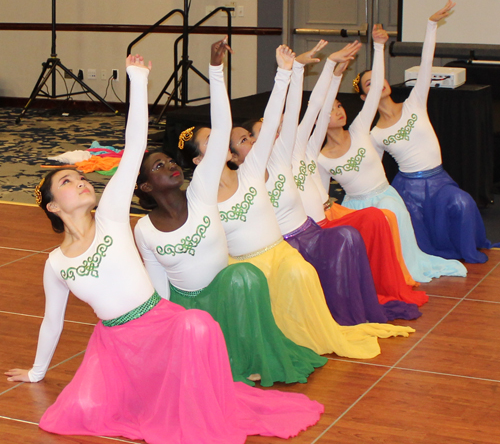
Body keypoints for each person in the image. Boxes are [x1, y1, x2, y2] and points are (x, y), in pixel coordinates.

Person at [5, 53, 324, 444]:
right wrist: (37, 372)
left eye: (81, 177)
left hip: (160, 323)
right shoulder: (56, 264)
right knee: (74, 415)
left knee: (196, 327)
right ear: (53, 206)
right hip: (114, 347)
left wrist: (138, 80)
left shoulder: (111, 217)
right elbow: (51, 321)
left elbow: (135, 143)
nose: (82, 182)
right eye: (69, 182)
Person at [180, 43, 415, 359]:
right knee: (284, 274)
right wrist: (217, 70)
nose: (254, 140)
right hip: (259, 257)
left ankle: (340, 318)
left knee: (322, 254)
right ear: (202, 159)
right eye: (217, 140)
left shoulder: (265, 162)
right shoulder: (200, 191)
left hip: (298, 240)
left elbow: (285, 113)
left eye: (251, 136)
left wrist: (286, 72)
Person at [133, 38, 326, 388]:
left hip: (226, 287)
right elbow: (158, 284)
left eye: (169, 160)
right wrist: (164, 328)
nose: (170, 166)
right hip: (188, 303)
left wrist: (216, 70)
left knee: (245, 277)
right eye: (160, 166)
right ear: (146, 187)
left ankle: (247, 354)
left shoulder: (203, 195)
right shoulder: (144, 229)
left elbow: (223, 129)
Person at [237, 40, 423, 324]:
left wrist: (329, 70)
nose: (274, 132)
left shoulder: (297, 149)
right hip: (296, 237)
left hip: (320, 223)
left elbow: (315, 110)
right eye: (263, 132)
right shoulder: (253, 174)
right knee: (352, 232)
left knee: (374, 218)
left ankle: (381, 288)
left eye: (273, 128)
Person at [317, 23, 467, 283]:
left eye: (340, 105)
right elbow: (321, 195)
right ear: (318, 120)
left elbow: (375, 88)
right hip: (355, 205)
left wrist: (378, 46)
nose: (339, 111)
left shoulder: (361, 129)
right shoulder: (319, 158)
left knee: (387, 215)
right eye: (331, 109)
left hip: (385, 197)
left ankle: (401, 269)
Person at [362, 0, 491, 264]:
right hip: (408, 189)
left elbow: (426, 62)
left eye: (379, 78)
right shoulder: (375, 134)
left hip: (439, 180)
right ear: (365, 97)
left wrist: (431, 25)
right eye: (369, 83)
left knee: (463, 203)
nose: (378, 83)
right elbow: (373, 170)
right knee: (417, 238)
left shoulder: (414, 102)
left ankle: (467, 251)